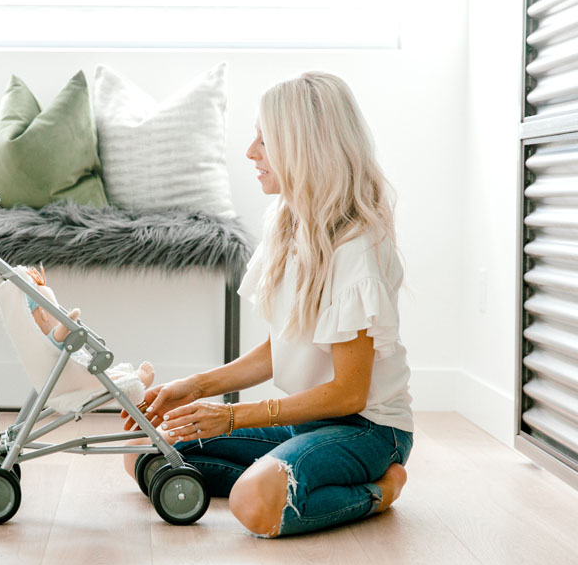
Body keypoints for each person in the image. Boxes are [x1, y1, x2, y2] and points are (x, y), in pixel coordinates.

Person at [122, 72, 413, 537]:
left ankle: (379, 491)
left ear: (304, 148)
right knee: (145, 449)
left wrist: (230, 416)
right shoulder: (289, 223)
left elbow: (349, 394)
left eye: (265, 140)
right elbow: (284, 346)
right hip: (307, 422)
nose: (251, 152)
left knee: (254, 504)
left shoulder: (357, 248)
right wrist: (193, 388)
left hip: (367, 430)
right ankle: (286, 476)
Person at [21, 264, 155, 388]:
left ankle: (128, 377)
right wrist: (69, 320)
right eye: (54, 309)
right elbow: (61, 333)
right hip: (78, 375)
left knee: (105, 375)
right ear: (43, 314)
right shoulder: (50, 340)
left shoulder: (42, 345)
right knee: (102, 379)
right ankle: (135, 380)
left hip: (80, 369)